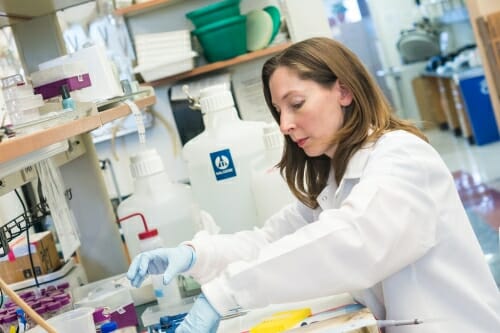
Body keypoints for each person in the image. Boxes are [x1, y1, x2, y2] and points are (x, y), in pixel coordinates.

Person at [127, 37, 500, 332]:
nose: (284, 125)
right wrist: (196, 254)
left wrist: (223, 294)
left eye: (296, 104)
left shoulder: (402, 158)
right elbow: (271, 240)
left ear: (343, 91)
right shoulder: (337, 180)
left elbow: (353, 240)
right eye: (278, 111)